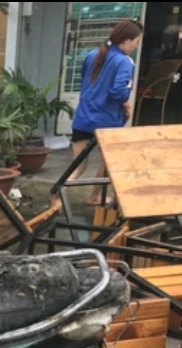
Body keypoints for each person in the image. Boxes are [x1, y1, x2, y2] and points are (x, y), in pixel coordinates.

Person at [53, 19, 143, 209]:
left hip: (84, 118)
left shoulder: (92, 55)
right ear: (126, 40)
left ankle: (58, 198)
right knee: (108, 163)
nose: (136, 45)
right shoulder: (124, 62)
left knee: (78, 165)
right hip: (107, 121)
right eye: (136, 41)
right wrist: (126, 104)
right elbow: (119, 91)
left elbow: (85, 83)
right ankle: (95, 196)